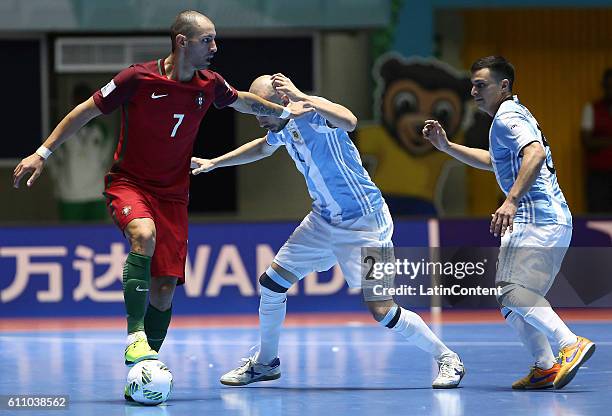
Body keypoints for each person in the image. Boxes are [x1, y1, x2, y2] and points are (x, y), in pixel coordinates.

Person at [12, 10, 311, 381]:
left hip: (173, 195)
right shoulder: (136, 78)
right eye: (207, 40)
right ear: (182, 42)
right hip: (130, 184)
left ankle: (144, 367)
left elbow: (244, 101)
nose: (215, 47)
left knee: (165, 288)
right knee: (143, 235)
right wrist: (42, 153)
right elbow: (84, 113)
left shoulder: (210, 84)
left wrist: (287, 110)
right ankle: (135, 335)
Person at [191, 73, 465, 389]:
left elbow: (349, 120)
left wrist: (302, 97)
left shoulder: (315, 114)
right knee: (272, 283)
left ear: (282, 99)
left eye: (262, 111)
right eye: (255, 113)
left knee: (382, 309)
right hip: (323, 220)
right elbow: (262, 148)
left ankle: (447, 358)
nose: (259, 119)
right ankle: (266, 363)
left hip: (365, 223)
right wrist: (214, 162)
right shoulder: (282, 125)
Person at [423, 56, 595, 390]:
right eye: (472, 85)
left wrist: (511, 200)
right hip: (547, 220)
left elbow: (535, 154)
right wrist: (446, 146)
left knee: (513, 292)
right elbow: (495, 161)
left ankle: (569, 344)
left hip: (537, 218)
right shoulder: (509, 116)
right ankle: (545, 367)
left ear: (504, 86)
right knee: (511, 301)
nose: (474, 91)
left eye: (481, 85)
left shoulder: (507, 116)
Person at [48, 82, 114, 221]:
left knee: (96, 237)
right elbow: (52, 159)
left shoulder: (101, 130)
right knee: (70, 237)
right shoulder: (61, 128)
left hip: (96, 192)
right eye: (79, 99)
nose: (83, 103)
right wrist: (61, 180)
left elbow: (106, 159)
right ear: (73, 101)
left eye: (86, 99)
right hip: (70, 194)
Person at [581, 68, 612, 213]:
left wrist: (602, 141)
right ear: (603, 86)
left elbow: (595, 141)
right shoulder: (592, 109)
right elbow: (588, 142)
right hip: (599, 175)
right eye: (608, 86)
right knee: (599, 213)